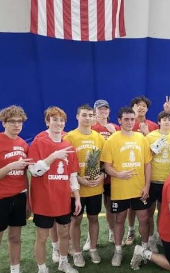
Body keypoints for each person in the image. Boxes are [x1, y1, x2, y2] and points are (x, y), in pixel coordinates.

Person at [28, 106, 81, 273]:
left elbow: (72, 175)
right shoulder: (38, 142)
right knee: (42, 237)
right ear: (47, 122)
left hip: (62, 199)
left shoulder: (68, 146)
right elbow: (35, 171)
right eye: (55, 119)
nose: (59, 123)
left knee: (65, 234)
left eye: (61, 120)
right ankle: (42, 269)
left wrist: (77, 197)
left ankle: (64, 263)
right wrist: (53, 156)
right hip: (43, 200)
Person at [101, 107, 152, 267]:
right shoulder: (112, 140)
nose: (130, 122)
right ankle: (118, 251)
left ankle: (144, 249)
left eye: (132, 119)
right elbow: (106, 166)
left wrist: (147, 185)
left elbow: (147, 164)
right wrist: (118, 174)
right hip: (120, 189)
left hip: (139, 188)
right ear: (119, 120)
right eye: (126, 119)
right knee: (119, 219)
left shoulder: (141, 138)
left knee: (144, 218)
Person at [64, 104, 106, 267]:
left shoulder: (99, 138)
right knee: (76, 220)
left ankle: (93, 248)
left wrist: (102, 176)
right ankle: (76, 252)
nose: (88, 118)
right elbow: (66, 165)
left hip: (95, 188)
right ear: (77, 117)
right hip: (76, 190)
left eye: (90, 115)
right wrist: (79, 180)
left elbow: (105, 162)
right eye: (84, 115)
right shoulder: (70, 138)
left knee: (94, 218)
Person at [81, 99, 120, 251]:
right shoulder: (90, 127)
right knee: (92, 211)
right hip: (92, 173)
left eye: (105, 109)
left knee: (109, 206)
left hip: (110, 174)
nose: (103, 112)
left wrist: (114, 133)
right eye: (100, 109)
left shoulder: (115, 127)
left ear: (109, 111)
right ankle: (90, 239)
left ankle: (111, 232)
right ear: (95, 112)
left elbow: (119, 147)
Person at [0, 105, 31, 273]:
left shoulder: (23, 144)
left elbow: (24, 175)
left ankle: (15, 269)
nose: (17, 125)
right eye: (12, 121)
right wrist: (10, 166)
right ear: (4, 123)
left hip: (19, 196)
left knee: (15, 237)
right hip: (1, 197)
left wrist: (28, 200)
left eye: (20, 122)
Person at [125, 96, 159, 246]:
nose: (141, 108)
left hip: (148, 171)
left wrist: (146, 133)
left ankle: (150, 234)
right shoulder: (127, 124)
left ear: (147, 109)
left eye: (144, 105)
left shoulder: (152, 126)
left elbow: (155, 150)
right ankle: (131, 230)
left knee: (147, 207)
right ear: (132, 108)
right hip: (130, 172)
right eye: (137, 105)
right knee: (131, 206)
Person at [146, 111, 170, 252]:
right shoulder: (150, 136)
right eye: (164, 119)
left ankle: (160, 235)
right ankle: (150, 238)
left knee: (164, 212)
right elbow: (146, 157)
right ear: (159, 122)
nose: (167, 122)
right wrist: (154, 148)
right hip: (153, 180)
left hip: (167, 181)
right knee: (149, 212)